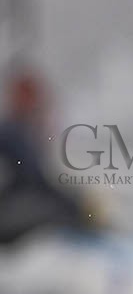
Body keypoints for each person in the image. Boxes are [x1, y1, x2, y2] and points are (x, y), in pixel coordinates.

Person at [0, 67, 94, 245]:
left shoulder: (19, 131)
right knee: (66, 211)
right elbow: (35, 181)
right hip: (7, 212)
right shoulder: (12, 133)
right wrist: (80, 205)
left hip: (13, 207)